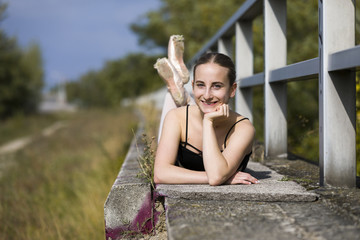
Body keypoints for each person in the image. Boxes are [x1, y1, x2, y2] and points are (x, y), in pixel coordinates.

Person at [153, 35, 259, 186]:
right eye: (200, 85)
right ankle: (177, 91)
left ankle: (178, 89)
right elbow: (160, 174)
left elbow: (216, 177)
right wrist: (225, 177)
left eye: (217, 86)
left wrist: (208, 122)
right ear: (193, 85)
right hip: (186, 114)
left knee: (193, 103)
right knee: (173, 106)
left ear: (232, 89)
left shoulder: (243, 128)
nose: (208, 95)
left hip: (195, 112)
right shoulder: (176, 117)